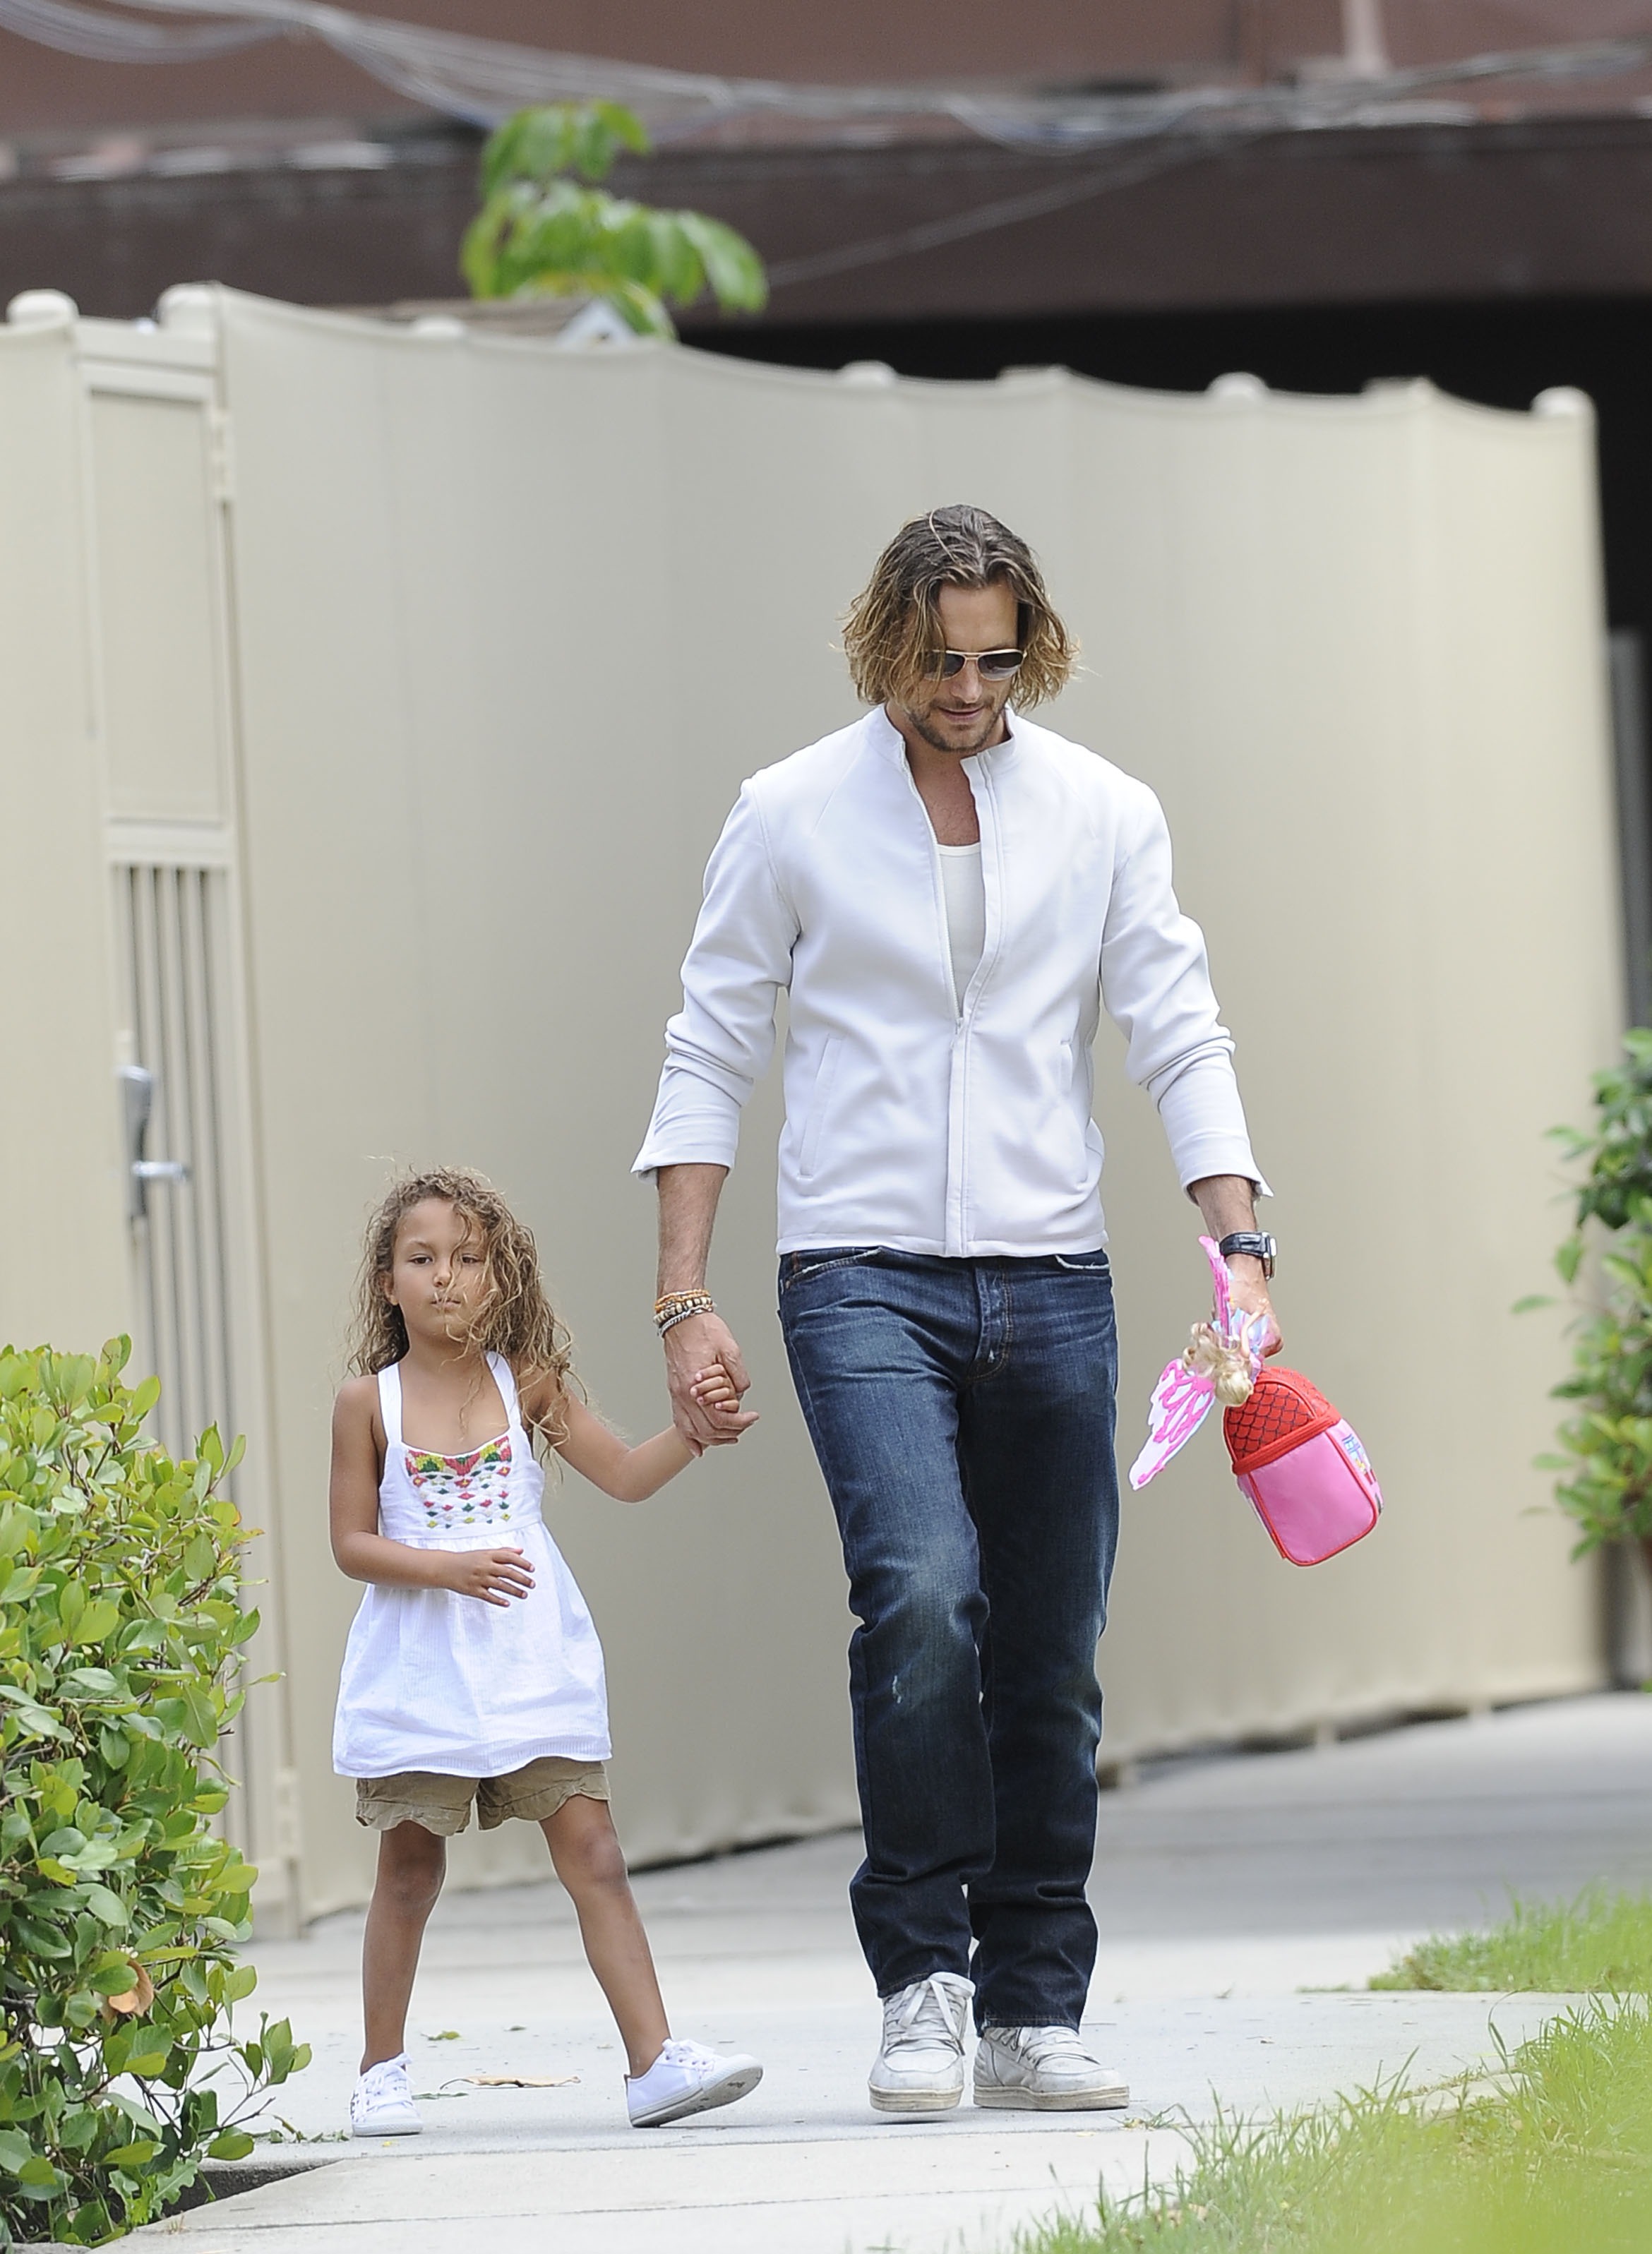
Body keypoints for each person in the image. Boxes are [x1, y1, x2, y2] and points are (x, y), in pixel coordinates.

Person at [633, 505, 1279, 2118]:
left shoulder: (1105, 812)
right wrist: (683, 1297)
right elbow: (710, 1046)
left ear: (1031, 646)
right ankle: (923, 1981)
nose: (970, 689)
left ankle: (1033, 2000)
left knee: (1051, 1648)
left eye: (997, 659)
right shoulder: (787, 812)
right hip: (858, 1275)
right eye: (941, 661)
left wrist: (1243, 1241)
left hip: (1053, 1277)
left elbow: (1176, 1026)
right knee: (923, 1595)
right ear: (887, 646)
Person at [328, 1166, 762, 2137]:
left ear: (501, 1275)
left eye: (469, 1257)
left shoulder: (529, 1384)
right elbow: (350, 1543)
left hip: (532, 1663)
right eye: (422, 1258)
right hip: (422, 1671)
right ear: (387, 1281)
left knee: (595, 1852)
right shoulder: (369, 1403)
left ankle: (654, 2063)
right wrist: (447, 1570)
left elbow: (624, 1475)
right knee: (409, 1870)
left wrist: (691, 1435)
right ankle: (380, 2070)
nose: (447, 1275)